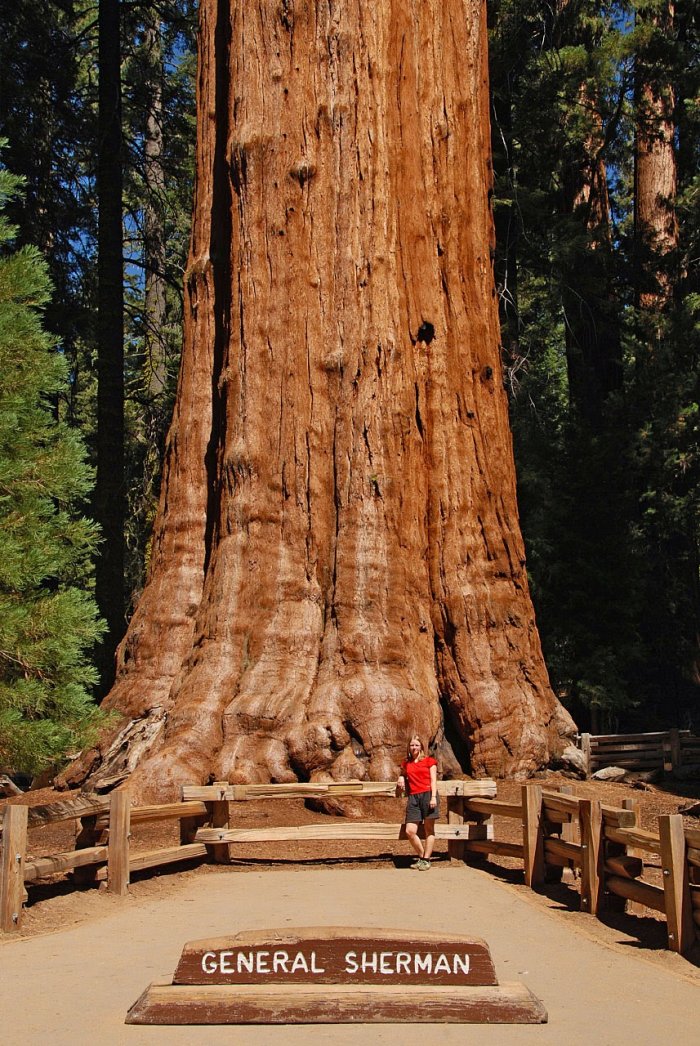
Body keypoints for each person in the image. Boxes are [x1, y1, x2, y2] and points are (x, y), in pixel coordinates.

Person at [396, 734, 439, 870]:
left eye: (417, 745)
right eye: (412, 745)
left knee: (429, 829)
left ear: (421, 747)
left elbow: (433, 781)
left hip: (428, 795)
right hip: (413, 797)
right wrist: (401, 778)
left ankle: (426, 860)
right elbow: (403, 773)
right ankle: (422, 856)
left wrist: (433, 797)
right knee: (410, 831)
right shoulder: (406, 763)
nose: (414, 747)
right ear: (409, 747)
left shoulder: (429, 761)